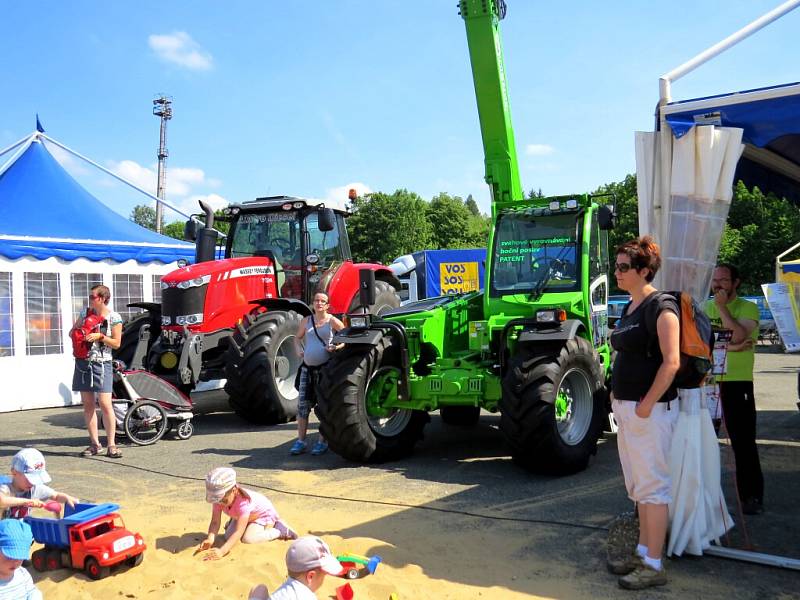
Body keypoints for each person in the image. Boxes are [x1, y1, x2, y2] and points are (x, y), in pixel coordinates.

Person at [607, 236, 680, 590]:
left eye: (623, 267)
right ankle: (642, 552)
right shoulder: (630, 307)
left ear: (644, 271)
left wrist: (647, 404)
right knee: (639, 488)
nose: (616, 272)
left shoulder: (661, 307)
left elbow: (672, 363)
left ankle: (653, 563)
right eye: (616, 266)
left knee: (653, 489)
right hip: (630, 411)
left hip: (648, 412)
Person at [704, 263, 764, 515]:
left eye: (724, 280)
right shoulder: (703, 308)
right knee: (704, 440)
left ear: (735, 282)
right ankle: (705, 496)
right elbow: (701, 345)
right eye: (715, 280)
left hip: (737, 382)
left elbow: (739, 335)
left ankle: (751, 495)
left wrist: (721, 308)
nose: (718, 285)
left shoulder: (747, 307)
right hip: (709, 383)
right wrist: (731, 347)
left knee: (743, 441)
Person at [197, 467, 297, 561]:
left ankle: (279, 530)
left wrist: (222, 551)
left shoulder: (243, 503)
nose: (220, 503)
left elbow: (238, 532)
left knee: (248, 538)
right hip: (244, 517)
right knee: (227, 537)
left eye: (223, 500)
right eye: (217, 499)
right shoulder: (218, 500)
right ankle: (236, 519)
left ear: (234, 490)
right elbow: (215, 521)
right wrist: (210, 539)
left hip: (261, 516)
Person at [72, 284, 123, 458]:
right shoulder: (84, 314)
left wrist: (101, 336)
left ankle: (112, 445)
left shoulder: (114, 317)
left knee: (105, 404)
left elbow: (117, 343)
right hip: (83, 363)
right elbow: (72, 332)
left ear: (102, 298)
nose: (90, 299)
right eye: (90, 296)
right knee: (88, 405)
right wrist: (81, 332)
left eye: (93, 296)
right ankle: (95, 444)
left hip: (103, 363)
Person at [290, 290, 345, 456]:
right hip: (307, 369)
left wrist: (336, 347)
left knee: (323, 406)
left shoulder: (332, 321)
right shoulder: (306, 321)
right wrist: (299, 350)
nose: (319, 303)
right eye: (316, 300)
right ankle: (300, 441)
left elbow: (345, 338)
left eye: (322, 301)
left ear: (327, 305)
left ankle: (322, 442)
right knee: (302, 406)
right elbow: (296, 338)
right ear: (313, 304)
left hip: (324, 370)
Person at [248, 536, 344, 600]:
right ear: (310, 576)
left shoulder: (288, 586)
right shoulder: (307, 597)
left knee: (260, 589)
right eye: (324, 575)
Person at [0, 448, 78, 519]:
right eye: (30, 479)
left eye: (35, 479)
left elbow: (56, 496)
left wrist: (67, 498)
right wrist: (28, 502)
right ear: (14, 473)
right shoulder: (6, 489)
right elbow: (2, 501)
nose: (32, 483)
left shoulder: (34, 489)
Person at [0, 519, 42, 599]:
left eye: (20, 556)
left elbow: (32, 591)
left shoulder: (22, 574)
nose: (16, 561)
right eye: (10, 556)